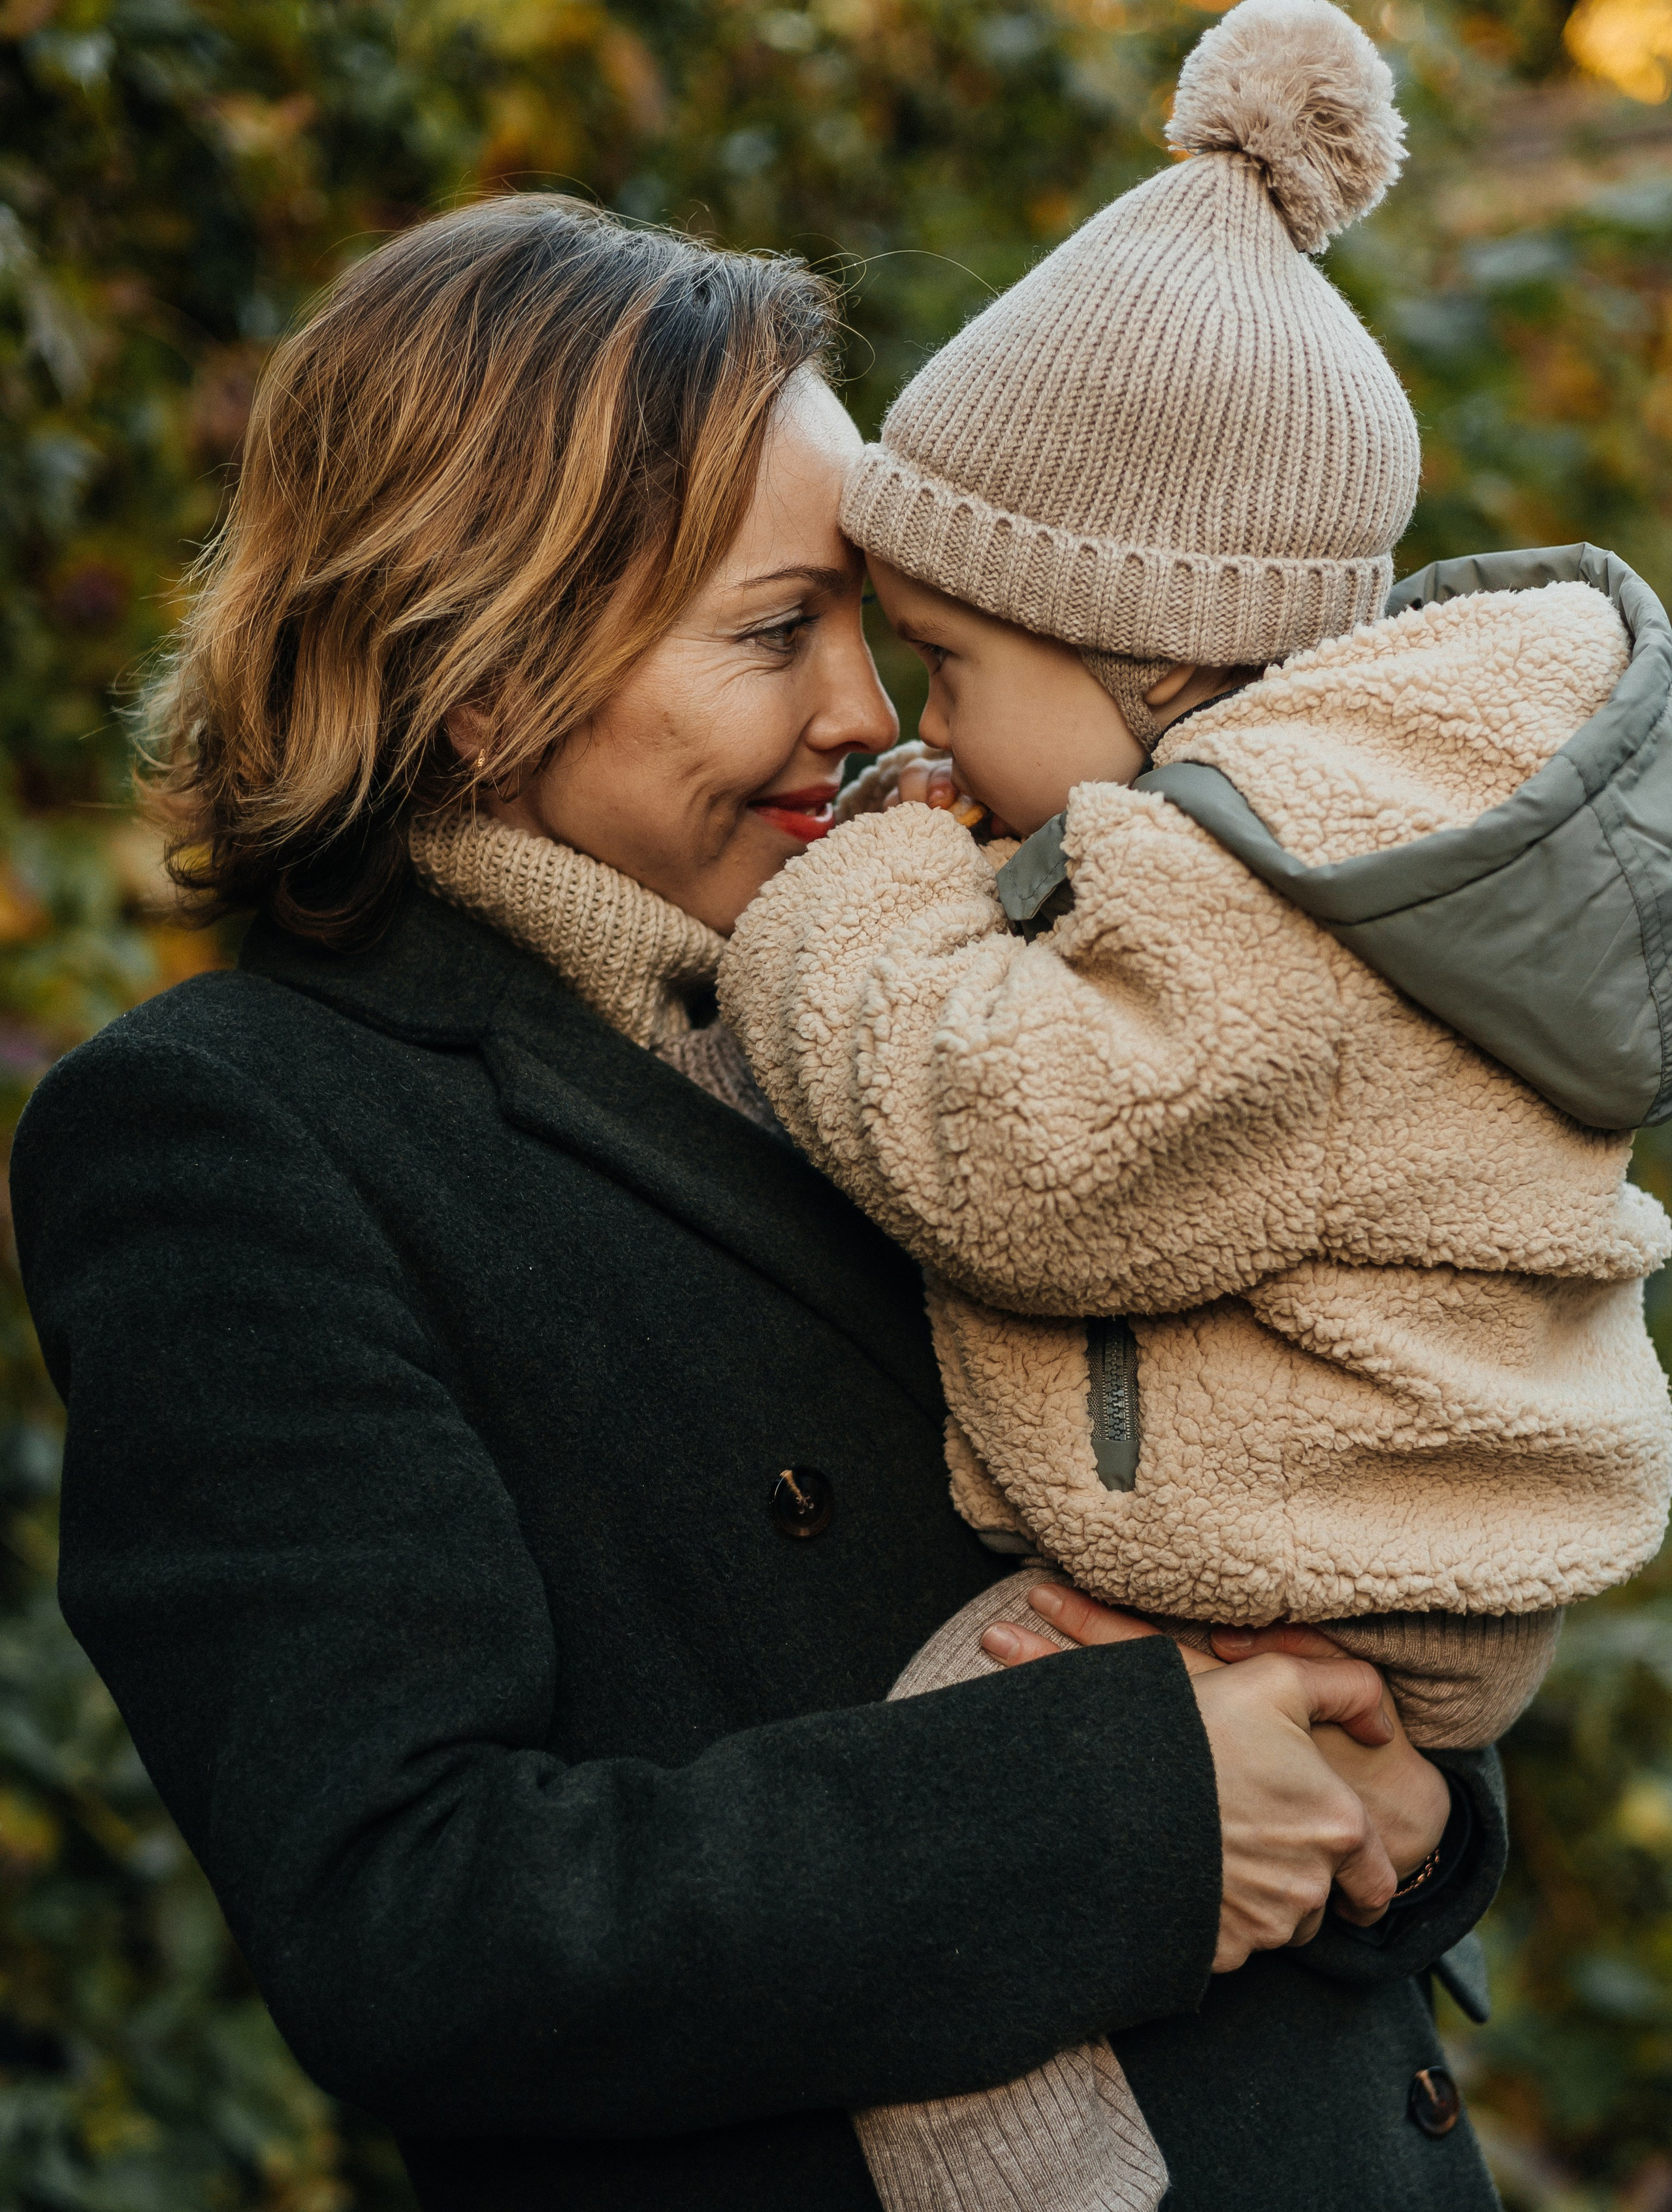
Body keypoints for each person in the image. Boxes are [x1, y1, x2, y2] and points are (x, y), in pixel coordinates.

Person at [10, 194, 1505, 2212]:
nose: (874, 712)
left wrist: (1415, 1789)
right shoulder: (242, 1136)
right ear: (482, 675)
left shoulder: (965, 985)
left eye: (881, 626)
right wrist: (1140, 1814)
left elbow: (1295, 1459)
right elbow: (414, 1920)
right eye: (777, 628)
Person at [719, 0, 1672, 2212]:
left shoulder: (1260, 886)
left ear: (1151, 656)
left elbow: (1018, 1160)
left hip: (1305, 1549)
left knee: (958, 1808)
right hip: (1418, 1565)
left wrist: (864, 884)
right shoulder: (1381, 816)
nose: (918, 728)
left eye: (956, 668)